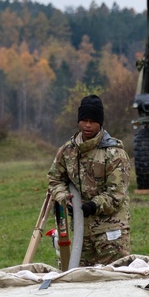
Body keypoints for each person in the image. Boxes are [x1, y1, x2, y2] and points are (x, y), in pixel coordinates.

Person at [46, 94, 131, 266]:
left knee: (115, 281)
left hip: (110, 231)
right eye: (84, 119)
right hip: (81, 232)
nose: (87, 125)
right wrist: (64, 198)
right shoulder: (67, 151)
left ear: (100, 123)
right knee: (81, 283)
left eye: (92, 120)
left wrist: (92, 206)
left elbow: (116, 194)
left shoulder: (114, 153)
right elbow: (55, 180)